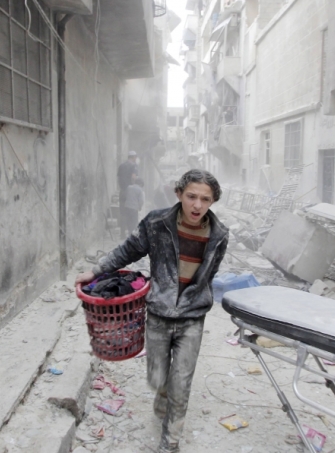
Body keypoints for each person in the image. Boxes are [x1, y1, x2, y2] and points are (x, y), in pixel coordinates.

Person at [75, 169, 229, 453]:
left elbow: (209, 274)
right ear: (179, 194)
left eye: (205, 199)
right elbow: (127, 250)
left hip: (192, 317)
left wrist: (198, 298)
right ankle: (162, 403)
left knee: (181, 381)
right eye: (191, 196)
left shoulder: (219, 235)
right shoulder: (157, 223)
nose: (197, 205)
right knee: (158, 377)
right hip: (158, 314)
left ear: (213, 201)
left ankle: (170, 442)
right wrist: (94, 271)